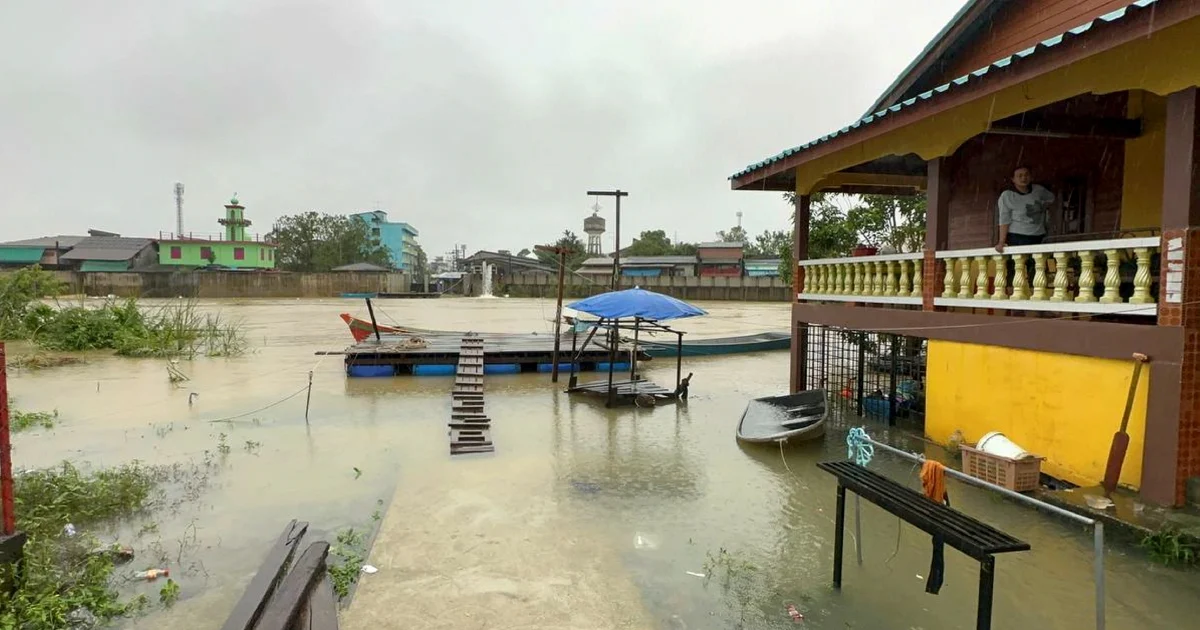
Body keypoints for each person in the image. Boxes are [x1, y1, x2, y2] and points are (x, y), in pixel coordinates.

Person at [995, 165, 1054, 252]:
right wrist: (1001, 242)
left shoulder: (1039, 190)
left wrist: (1042, 207)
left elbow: (1052, 199)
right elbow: (1004, 220)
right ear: (1013, 179)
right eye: (1020, 176)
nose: (1023, 178)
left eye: (1026, 175)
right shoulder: (1007, 196)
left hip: (1039, 235)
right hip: (1017, 236)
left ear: (1031, 177)